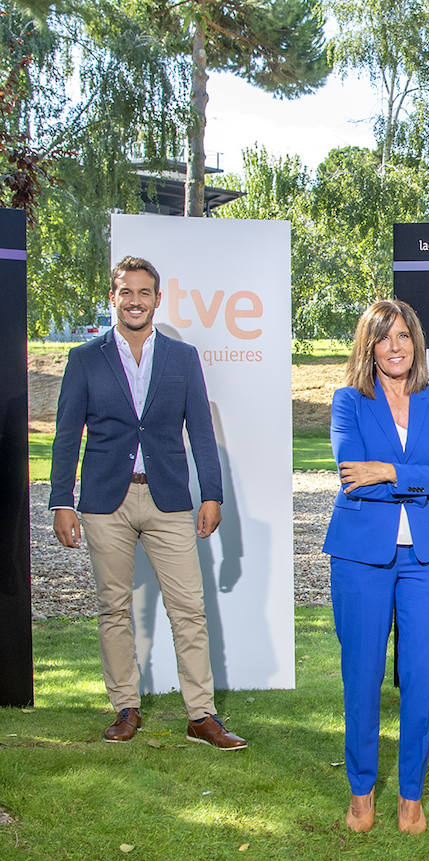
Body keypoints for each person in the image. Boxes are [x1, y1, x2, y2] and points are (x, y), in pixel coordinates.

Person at [49, 256, 245, 749]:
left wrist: (213, 494)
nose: (135, 301)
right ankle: (125, 708)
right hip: (103, 503)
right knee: (113, 608)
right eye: (126, 292)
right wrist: (61, 501)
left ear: (158, 299)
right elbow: (67, 435)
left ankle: (201, 716)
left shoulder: (182, 358)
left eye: (144, 293)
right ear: (112, 297)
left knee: (189, 609)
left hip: (169, 500)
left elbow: (201, 431)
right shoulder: (84, 359)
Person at [323, 299, 429, 835]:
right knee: (362, 675)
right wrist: (411, 476)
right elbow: (351, 474)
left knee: (422, 678)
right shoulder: (347, 402)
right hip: (361, 557)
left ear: (415, 342)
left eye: (403, 335)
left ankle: (410, 795)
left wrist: (389, 471)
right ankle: (361, 793)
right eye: (384, 337)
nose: (396, 345)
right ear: (369, 346)